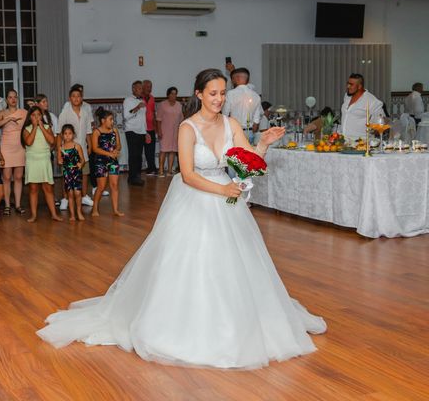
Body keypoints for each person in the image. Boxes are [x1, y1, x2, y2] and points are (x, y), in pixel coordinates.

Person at [37, 68, 327, 369]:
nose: (218, 99)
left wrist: (264, 143)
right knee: (190, 262)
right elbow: (188, 175)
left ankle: (235, 320)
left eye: (222, 93)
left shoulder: (231, 124)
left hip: (226, 202)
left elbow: (248, 165)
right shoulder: (188, 128)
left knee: (233, 263)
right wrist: (223, 188)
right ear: (199, 94)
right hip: (196, 198)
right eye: (213, 93)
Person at [22, 106, 62, 223]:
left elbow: (52, 141)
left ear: (42, 116)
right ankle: (34, 215)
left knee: (48, 188)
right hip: (32, 160)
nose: (36, 117)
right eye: (34, 115)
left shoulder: (47, 127)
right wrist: (35, 127)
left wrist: (42, 128)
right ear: (30, 117)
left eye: (38, 115)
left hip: (44, 160)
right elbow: (29, 142)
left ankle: (54, 214)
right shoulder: (26, 129)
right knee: (33, 189)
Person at [57, 86, 94, 209]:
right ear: (70, 98)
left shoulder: (86, 112)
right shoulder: (65, 113)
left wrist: (90, 145)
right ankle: (65, 198)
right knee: (67, 176)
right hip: (67, 150)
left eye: (78, 96)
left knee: (84, 174)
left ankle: (83, 196)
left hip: (82, 148)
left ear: (82, 98)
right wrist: (59, 153)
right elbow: (59, 134)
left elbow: (88, 131)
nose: (76, 98)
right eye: (73, 96)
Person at [0, 89, 27, 215]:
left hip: (20, 146)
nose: (13, 99)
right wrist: (8, 119)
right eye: (10, 97)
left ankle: (18, 205)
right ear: (7, 99)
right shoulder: (2, 113)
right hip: (6, 147)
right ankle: (8, 205)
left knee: (19, 177)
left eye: (15, 97)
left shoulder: (24, 112)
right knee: (7, 177)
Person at [91, 108, 123, 217]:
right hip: (100, 162)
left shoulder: (114, 131)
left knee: (114, 185)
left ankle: (115, 210)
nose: (112, 121)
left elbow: (119, 145)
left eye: (113, 119)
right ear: (103, 120)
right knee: (101, 186)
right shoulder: (97, 132)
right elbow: (95, 149)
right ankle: (95, 208)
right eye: (110, 119)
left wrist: (116, 150)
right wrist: (109, 153)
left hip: (113, 161)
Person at [222, 67, 262, 141]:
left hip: (234, 131)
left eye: (232, 79)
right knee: (247, 152)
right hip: (249, 132)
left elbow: (225, 115)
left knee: (235, 152)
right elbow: (256, 121)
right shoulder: (256, 96)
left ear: (235, 79)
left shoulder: (231, 94)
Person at [340, 73, 384, 141]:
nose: (348, 86)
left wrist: (373, 130)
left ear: (360, 86)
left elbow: (381, 122)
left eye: (351, 84)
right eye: (348, 83)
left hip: (361, 143)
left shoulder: (371, 100)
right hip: (343, 141)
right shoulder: (347, 96)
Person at [123, 80, 148, 186]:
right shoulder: (128, 100)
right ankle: (133, 177)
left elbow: (143, 118)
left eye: (141, 88)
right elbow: (126, 116)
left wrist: (146, 132)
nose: (141, 90)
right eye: (138, 88)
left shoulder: (142, 100)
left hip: (141, 131)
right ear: (133, 89)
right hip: (132, 131)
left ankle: (136, 176)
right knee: (133, 155)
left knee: (139, 156)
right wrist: (138, 107)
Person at [59, 124, 85, 222]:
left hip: (76, 172)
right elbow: (59, 159)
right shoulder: (61, 147)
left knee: (78, 193)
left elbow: (83, 159)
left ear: (73, 135)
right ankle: (72, 214)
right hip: (67, 173)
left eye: (70, 133)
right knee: (70, 194)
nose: (67, 135)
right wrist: (60, 161)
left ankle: (79, 212)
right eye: (65, 134)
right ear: (62, 135)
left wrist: (80, 164)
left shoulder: (77, 146)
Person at [156, 86, 183, 177]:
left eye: (175, 94)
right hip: (164, 131)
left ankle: (170, 171)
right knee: (163, 151)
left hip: (175, 132)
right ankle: (160, 171)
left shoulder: (179, 105)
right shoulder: (162, 105)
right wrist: (159, 131)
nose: (174, 95)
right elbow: (158, 119)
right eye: (172, 93)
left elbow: (181, 119)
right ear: (168, 95)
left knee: (172, 151)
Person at [142, 79, 157, 175]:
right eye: (147, 87)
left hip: (151, 128)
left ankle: (151, 168)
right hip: (141, 129)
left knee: (151, 150)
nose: (149, 88)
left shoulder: (152, 98)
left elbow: (153, 112)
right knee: (141, 150)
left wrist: (156, 127)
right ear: (143, 88)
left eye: (150, 86)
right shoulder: (139, 98)